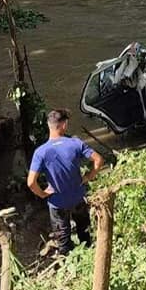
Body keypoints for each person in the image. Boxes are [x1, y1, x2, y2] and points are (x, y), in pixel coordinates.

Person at [27, 108, 104, 256]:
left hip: (57, 203)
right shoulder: (75, 143)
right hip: (78, 199)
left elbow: (31, 182)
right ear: (63, 125)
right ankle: (88, 259)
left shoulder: (41, 152)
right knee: (85, 234)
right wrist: (89, 176)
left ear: (50, 126)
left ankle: (68, 264)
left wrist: (42, 194)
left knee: (63, 240)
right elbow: (99, 160)